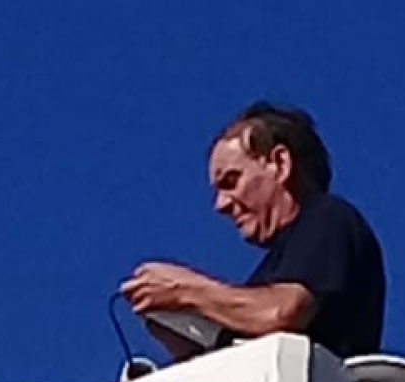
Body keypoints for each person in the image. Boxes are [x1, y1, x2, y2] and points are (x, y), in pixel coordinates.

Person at [121, 102, 386, 361]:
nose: (220, 205)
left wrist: (185, 291)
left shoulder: (328, 218)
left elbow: (281, 312)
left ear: (279, 164)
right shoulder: (277, 266)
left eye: (231, 181)